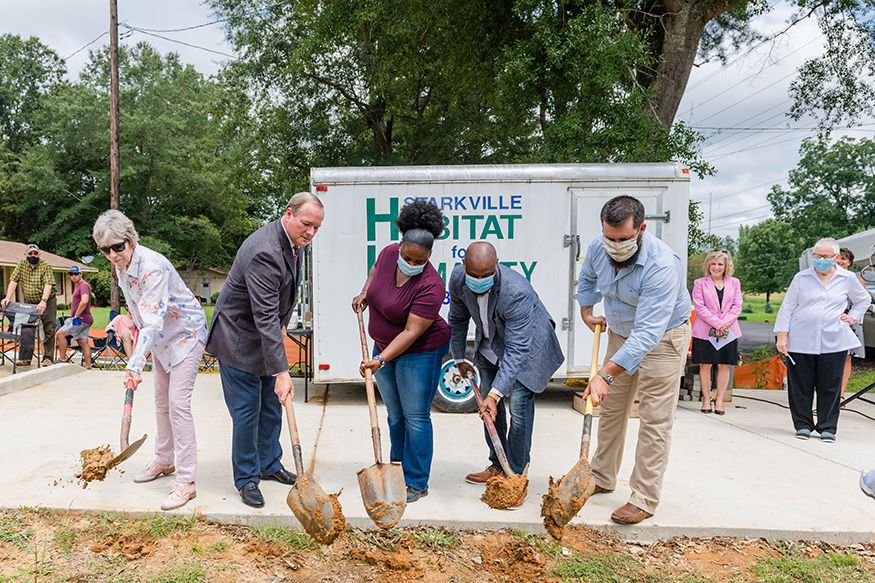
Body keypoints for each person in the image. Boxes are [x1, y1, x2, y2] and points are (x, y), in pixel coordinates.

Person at [576, 195, 692, 525]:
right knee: (611, 409)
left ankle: (643, 497)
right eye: (609, 238)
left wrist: (603, 374)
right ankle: (600, 476)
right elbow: (586, 279)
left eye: (623, 239)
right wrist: (586, 311)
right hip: (620, 332)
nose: (614, 245)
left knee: (655, 419)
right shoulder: (599, 248)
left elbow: (647, 334)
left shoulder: (662, 265)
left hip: (664, 338)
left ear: (641, 229)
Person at [206, 192, 324, 508]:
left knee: (272, 406)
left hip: (263, 334)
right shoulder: (265, 251)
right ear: (288, 214)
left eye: (316, 228)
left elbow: (281, 299)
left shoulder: (292, 244)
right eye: (306, 224)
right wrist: (283, 372)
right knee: (247, 412)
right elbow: (264, 316)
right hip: (238, 338)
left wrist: (283, 327)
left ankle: (269, 463)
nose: (311, 233)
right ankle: (247, 479)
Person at [93, 210, 209, 511]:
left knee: (177, 403)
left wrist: (134, 363)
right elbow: (142, 311)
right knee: (161, 401)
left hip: (184, 332)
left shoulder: (152, 267)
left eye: (118, 246)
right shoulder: (122, 267)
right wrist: (128, 320)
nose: (113, 255)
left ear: (131, 240)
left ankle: (186, 481)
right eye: (105, 250)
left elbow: (154, 320)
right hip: (160, 338)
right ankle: (163, 459)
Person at [449, 241, 564, 510]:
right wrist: (459, 358)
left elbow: (517, 349)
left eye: (486, 275)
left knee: (519, 410)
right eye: (474, 275)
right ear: (464, 266)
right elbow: (457, 319)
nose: (479, 280)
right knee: (490, 411)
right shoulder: (457, 278)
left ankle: (516, 475)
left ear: (497, 265)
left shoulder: (516, 291)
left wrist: (496, 393)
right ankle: (497, 465)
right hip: (490, 346)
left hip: (528, 348)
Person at [352, 200, 451, 504]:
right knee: (395, 415)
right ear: (398, 247)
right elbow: (374, 271)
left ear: (429, 256)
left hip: (420, 350)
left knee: (415, 416)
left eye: (417, 260)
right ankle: (396, 470)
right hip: (384, 347)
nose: (409, 262)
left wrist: (380, 360)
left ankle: (417, 481)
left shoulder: (432, 286)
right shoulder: (387, 254)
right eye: (405, 256)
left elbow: (411, 332)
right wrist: (365, 292)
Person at [775, 238, 870, 443]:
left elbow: (863, 299)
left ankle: (827, 427)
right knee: (801, 385)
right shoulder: (801, 278)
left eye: (827, 256)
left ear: (836, 257)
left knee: (830, 385)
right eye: (818, 256)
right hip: (801, 339)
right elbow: (787, 307)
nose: (822, 260)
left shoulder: (847, 278)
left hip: (834, 339)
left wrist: (853, 316)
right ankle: (803, 425)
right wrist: (782, 335)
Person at [690, 250, 742, 415]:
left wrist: (724, 324)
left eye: (720, 264)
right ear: (708, 265)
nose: (716, 267)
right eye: (713, 264)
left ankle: (719, 400)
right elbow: (699, 307)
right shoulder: (700, 283)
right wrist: (718, 324)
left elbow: (736, 306)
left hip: (728, 332)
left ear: (726, 266)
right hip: (705, 331)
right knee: (705, 365)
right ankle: (706, 399)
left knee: (724, 365)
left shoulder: (734, 283)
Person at [0, 244, 57, 367]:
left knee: (49, 328)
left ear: (39, 255)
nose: (33, 256)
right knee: (26, 327)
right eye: (30, 254)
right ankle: (25, 358)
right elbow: (14, 281)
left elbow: (48, 284)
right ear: (26, 254)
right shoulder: (21, 265)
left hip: (48, 300)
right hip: (29, 301)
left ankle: (47, 358)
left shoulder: (45, 265)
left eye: (35, 253)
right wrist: (7, 297)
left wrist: (43, 301)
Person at [835, 248, 866, 404]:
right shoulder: (826, 276)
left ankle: (840, 395)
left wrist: (852, 317)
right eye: (838, 257)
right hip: (830, 323)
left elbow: (861, 302)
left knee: (846, 359)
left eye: (844, 259)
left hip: (848, 322)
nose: (840, 261)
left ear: (850, 262)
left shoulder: (856, 278)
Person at [54, 266, 94, 368]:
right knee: (83, 341)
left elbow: (84, 300)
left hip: (81, 319)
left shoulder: (83, 285)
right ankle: (88, 366)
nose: (73, 276)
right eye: (71, 274)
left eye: (76, 274)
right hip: (85, 319)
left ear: (81, 274)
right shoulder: (80, 286)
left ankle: (62, 360)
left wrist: (76, 315)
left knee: (60, 334)